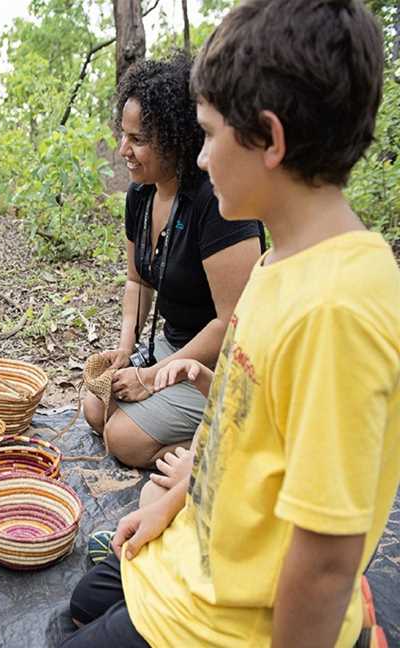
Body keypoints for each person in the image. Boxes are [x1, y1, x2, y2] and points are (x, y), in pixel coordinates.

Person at [64, 1, 399, 646]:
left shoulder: (337, 309)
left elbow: (326, 558)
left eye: (210, 134)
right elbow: (253, 427)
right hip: (204, 545)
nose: (203, 155)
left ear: (269, 140)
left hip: (235, 616)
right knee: (82, 605)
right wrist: (176, 494)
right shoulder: (280, 261)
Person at [83, 53, 264, 468]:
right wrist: (127, 348)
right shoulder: (141, 195)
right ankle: (187, 436)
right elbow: (137, 281)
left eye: (139, 140)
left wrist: (150, 378)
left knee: (122, 437)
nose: (124, 150)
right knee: (96, 409)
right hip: (174, 344)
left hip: (219, 362)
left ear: (178, 137)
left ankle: (223, 453)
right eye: (123, 136)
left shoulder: (215, 201)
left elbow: (234, 321)